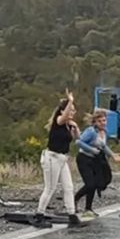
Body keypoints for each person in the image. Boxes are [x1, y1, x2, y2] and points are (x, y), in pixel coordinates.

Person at [32, 89, 82, 229]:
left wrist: (76, 127)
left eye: (73, 111)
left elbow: (78, 138)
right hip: (52, 157)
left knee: (68, 187)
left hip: (62, 159)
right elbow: (64, 116)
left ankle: (72, 215)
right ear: (63, 111)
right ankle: (39, 215)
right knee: (50, 187)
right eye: (70, 110)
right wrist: (70, 101)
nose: (72, 113)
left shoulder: (68, 126)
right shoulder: (58, 121)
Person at [74, 109, 120, 218]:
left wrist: (113, 155)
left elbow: (103, 146)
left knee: (96, 183)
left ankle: (88, 209)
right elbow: (78, 142)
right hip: (84, 159)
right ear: (95, 122)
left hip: (95, 160)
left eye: (104, 120)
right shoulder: (91, 131)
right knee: (90, 184)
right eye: (100, 121)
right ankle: (75, 198)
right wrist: (91, 149)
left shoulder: (104, 132)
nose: (102, 123)